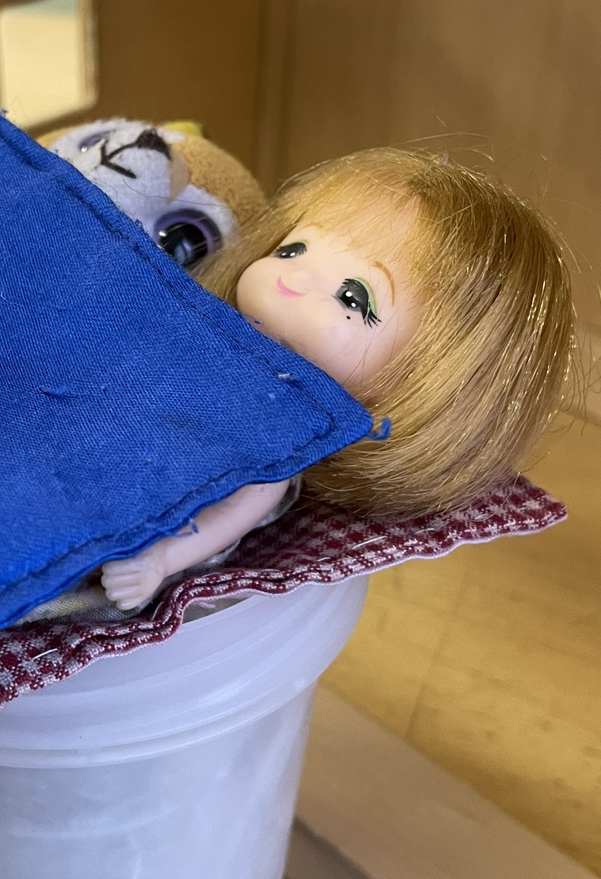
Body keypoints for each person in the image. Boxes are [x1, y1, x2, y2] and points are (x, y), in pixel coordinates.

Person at [101, 147, 574, 611]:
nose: (292, 279)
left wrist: (160, 561)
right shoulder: (217, 342)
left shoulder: (277, 438)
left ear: (421, 382)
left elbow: (232, 513)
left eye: (353, 297)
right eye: (292, 249)